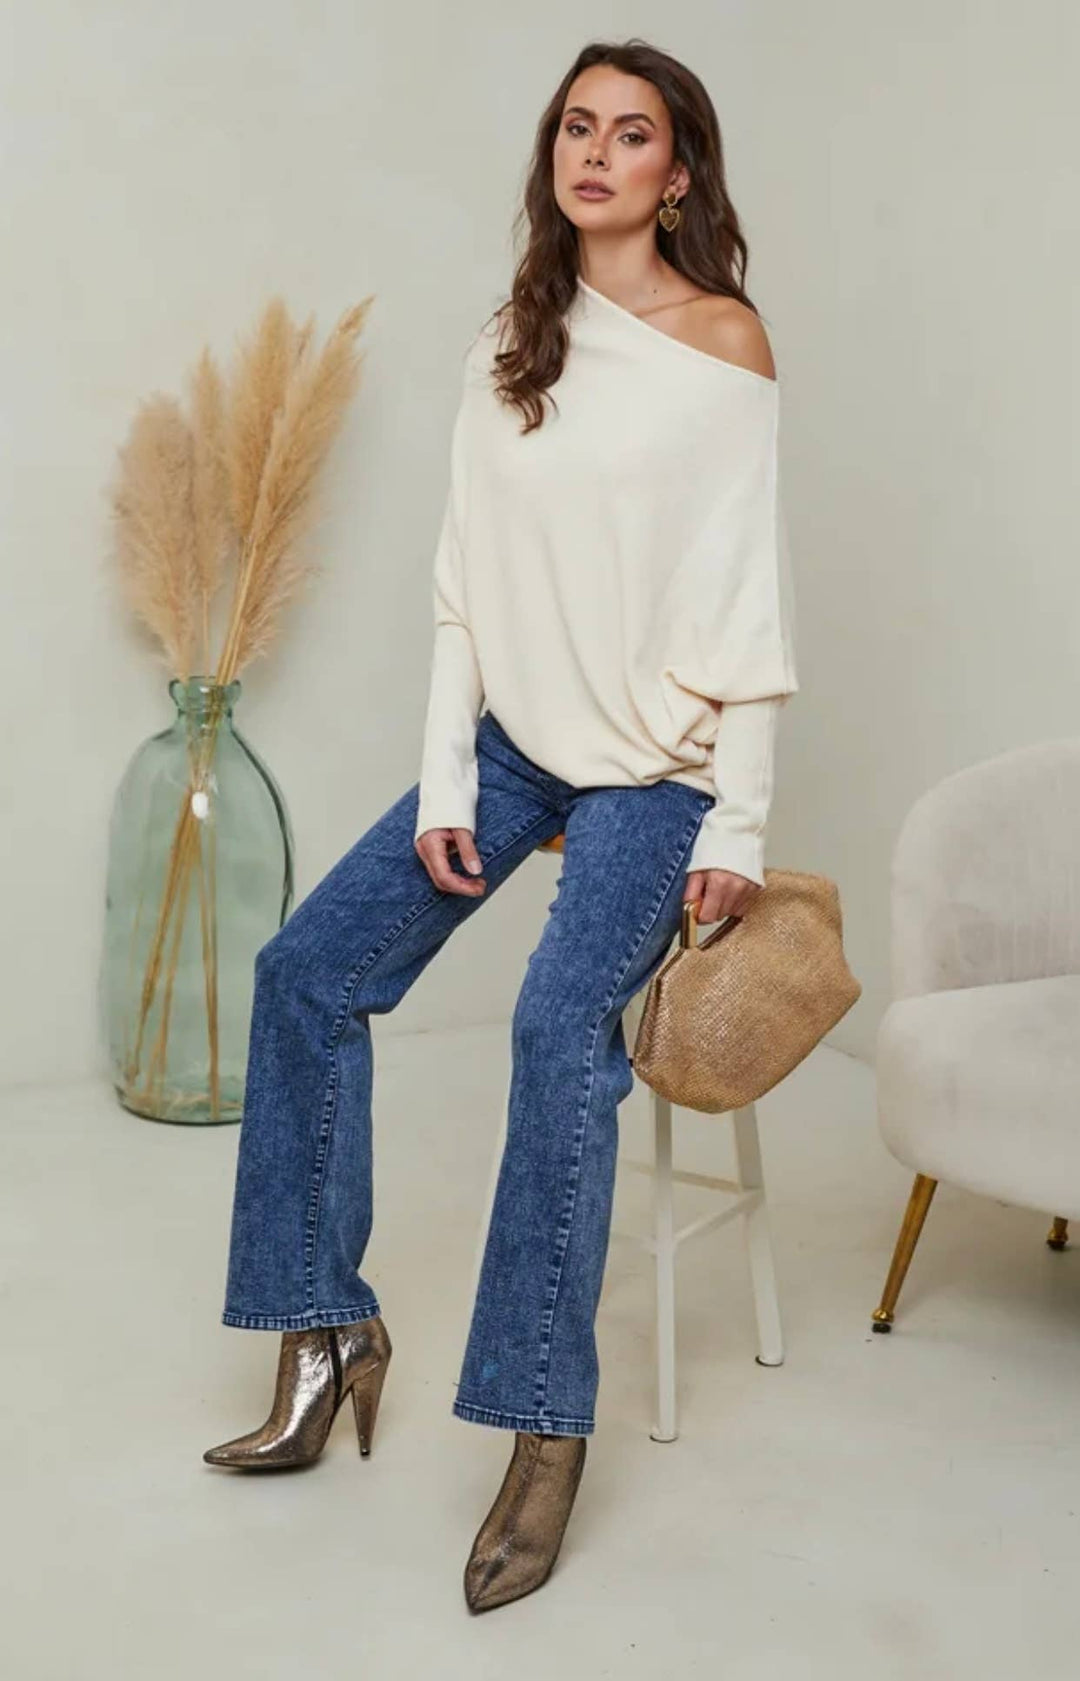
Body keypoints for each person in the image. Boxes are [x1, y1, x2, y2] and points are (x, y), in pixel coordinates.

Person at [202, 36, 799, 1615]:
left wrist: (735, 814)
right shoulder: (509, 342)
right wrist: (454, 778)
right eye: (577, 127)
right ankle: (327, 1326)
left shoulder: (725, 346)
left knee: (552, 1034)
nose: (596, 152)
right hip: (519, 743)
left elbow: (748, 604)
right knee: (306, 972)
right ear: (556, 156)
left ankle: (544, 1423)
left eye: (634, 133)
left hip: (656, 771)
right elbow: (466, 589)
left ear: (679, 174)